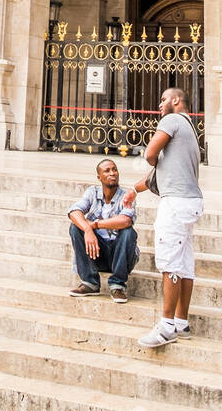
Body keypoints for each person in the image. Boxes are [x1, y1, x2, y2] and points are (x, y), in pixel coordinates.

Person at [122, 85, 203, 346]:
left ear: (177, 100)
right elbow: (164, 173)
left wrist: (153, 157)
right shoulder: (190, 129)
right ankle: (181, 321)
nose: (160, 104)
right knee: (185, 263)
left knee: (169, 262)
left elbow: (149, 154)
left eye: (164, 98)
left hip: (176, 204)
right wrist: (135, 189)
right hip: (191, 201)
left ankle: (166, 326)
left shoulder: (171, 120)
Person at [67, 159, 139, 303]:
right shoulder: (92, 192)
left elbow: (125, 220)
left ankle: (117, 285)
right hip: (97, 253)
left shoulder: (127, 196)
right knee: (76, 227)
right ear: (99, 177)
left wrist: (95, 225)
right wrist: (87, 229)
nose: (112, 173)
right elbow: (73, 211)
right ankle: (90, 283)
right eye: (107, 171)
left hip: (120, 256)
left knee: (128, 231)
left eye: (114, 169)